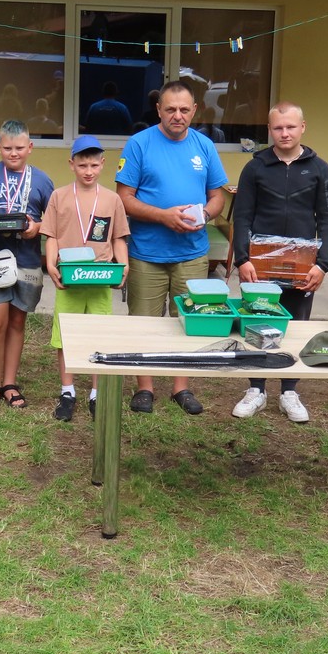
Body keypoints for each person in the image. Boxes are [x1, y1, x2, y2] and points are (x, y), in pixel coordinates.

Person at [116, 80, 229, 415]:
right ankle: (145, 388)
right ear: (159, 110)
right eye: (170, 109)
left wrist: (205, 214)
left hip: (192, 253)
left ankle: (181, 387)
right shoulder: (139, 144)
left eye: (183, 109)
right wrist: (163, 216)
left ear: (194, 110)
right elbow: (124, 198)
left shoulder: (204, 146)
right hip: (146, 252)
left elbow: (218, 196)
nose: (177, 115)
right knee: (144, 323)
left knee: (189, 321)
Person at [231, 102, 328, 423]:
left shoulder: (319, 169)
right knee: (258, 325)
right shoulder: (255, 168)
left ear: (303, 127)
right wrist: (242, 259)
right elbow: (242, 216)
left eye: (291, 127)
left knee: (296, 326)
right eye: (278, 127)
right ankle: (256, 389)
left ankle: (289, 390)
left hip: (303, 267)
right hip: (260, 266)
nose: (285, 133)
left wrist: (322, 264)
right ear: (269, 130)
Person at [0, 119, 54, 410]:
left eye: (19, 148)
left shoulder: (42, 180)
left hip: (27, 258)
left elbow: (53, 221)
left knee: (17, 322)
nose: (13, 153)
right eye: (7, 148)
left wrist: (36, 228)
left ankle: (10, 383)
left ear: (30, 147)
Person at [42, 134, 130, 421]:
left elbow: (118, 238)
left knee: (98, 335)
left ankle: (96, 392)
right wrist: (51, 263)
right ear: (72, 165)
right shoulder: (59, 196)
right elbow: (51, 235)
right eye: (82, 165)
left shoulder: (112, 199)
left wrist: (124, 265)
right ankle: (67, 391)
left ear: (103, 164)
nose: (88, 171)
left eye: (94, 165)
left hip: (100, 277)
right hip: (69, 278)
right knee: (65, 337)